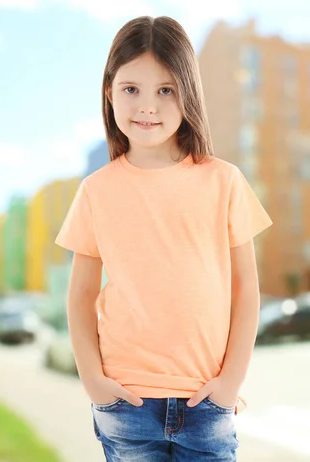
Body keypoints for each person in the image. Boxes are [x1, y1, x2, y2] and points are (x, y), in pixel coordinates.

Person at [55, 15, 272, 461]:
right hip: (126, 404)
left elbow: (246, 290)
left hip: (207, 402)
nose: (147, 106)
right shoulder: (96, 191)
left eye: (166, 90)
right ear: (109, 93)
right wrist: (94, 381)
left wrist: (230, 384)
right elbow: (79, 296)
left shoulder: (225, 181)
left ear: (188, 93)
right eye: (131, 89)